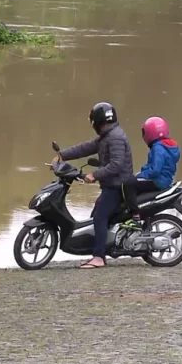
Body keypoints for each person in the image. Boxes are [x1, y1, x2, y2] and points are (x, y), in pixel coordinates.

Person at [53, 102, 133, 269]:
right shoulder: (107, 136)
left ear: (99, 122)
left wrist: (94, 175)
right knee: (96, 214)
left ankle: (99, 257)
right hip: (112, 185)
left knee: (99, 217)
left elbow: (117, 164)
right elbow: (85, 148)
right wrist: (62, 155)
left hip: (118, 187)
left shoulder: (115, 137)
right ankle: (102, 248)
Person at [121, 116, 180, 229]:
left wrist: (141, 175)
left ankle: (135, 217)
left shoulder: (158, 148)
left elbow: (155, 170)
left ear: (150, 133)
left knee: (128, 184)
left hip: (158, 181)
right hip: (166, 180)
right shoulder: (169, 146)